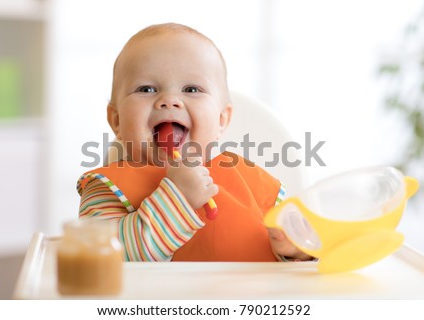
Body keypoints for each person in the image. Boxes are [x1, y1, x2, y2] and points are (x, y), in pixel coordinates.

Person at [77, 23, 313, 262]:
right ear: (116, 120)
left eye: (191, 89)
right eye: (146, 89)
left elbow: (295, 267)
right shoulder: (106, 189)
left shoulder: (251, 183)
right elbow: (102, 260)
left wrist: (297, 250)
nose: (169, 100)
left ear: (222, 120)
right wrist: (178, 199)